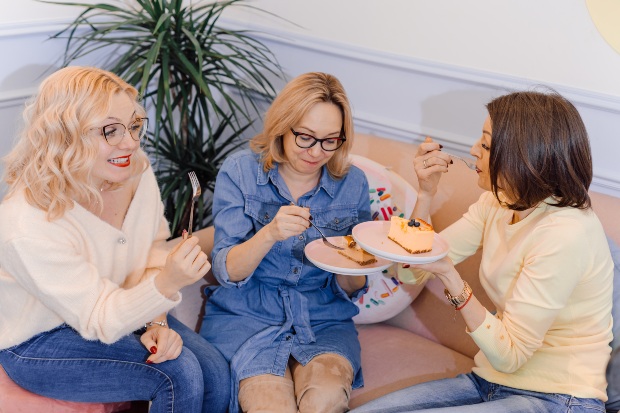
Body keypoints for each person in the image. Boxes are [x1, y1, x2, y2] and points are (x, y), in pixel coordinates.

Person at [351, 90, 614, 413]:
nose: (474, 150)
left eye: (487, 145)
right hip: (490, 381)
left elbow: (510, 355)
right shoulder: (498, 202)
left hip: (560, 397)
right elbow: (410, 270)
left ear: (523, 156)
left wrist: (450, 277)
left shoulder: (565, 233)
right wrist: (425, 193)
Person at [0, 66, 230, 413]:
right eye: (110, 130)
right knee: (176, 374)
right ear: (66, 134)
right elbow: (100, 317)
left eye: (134, 125)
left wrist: (157, 320)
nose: (131, 143)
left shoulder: (135, 169)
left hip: (122, 303)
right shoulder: (26, 223)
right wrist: (169, 282)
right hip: (41, 339)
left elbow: (150, 253)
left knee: (214, 371)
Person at [199, 72, 371, 413]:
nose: (316, 152)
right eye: (305, 137)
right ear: (282, 126)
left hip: (323, 318)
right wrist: (270, 234)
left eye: (330, 140)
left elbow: (354, 286)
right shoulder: (240, 172)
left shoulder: (353, 183)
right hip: (246, 316)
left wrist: (357, 262)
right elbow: (226, 272)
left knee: (326, 398)